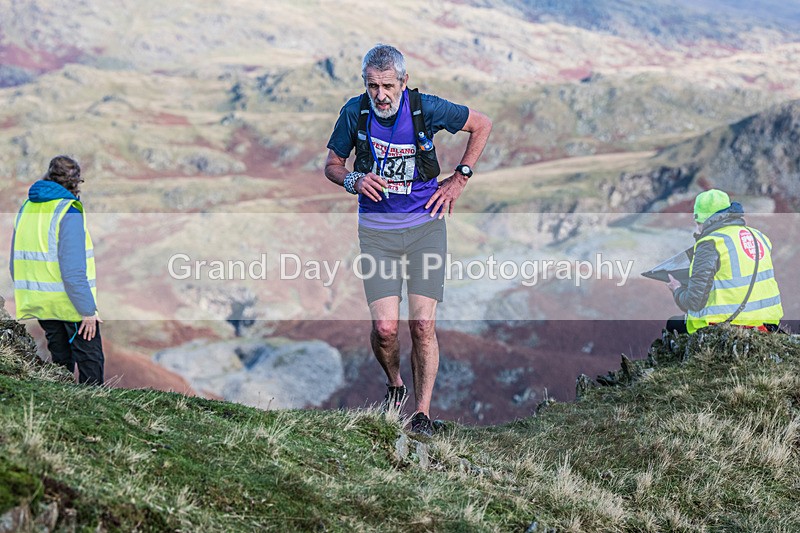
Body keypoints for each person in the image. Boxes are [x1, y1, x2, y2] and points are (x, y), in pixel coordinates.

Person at [324, 44, 492, 436]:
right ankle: (395, 385)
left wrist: (460, 178)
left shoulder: (425, 109)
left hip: (425, 229)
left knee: (422, 325)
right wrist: (354, 180)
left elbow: (482, 123)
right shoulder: (355, 111)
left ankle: (421, 414)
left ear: (404, 81)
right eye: (372, 86)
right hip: (377, 235)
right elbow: (332, 165)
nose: (380, 95)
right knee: (385, 329)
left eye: (387, 86)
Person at [10, 155, 104, 384]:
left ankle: (62, 410)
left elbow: (15, 261)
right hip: (69, 304)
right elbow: (72, 270)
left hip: (41, 301)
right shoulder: (68, 211)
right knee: (90, 361)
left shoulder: (28, 207)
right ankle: (93, 414)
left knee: (61, 362)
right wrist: (88, 311)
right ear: (76, 182)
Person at [665, 189, 783, 334]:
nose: (697, 228)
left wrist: (677, 289)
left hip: (730, 324)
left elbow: (694, 302)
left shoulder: (711, 243)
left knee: (672, 324)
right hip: (767, 323)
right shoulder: (759, 236)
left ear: (706, 219)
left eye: (698, 222)